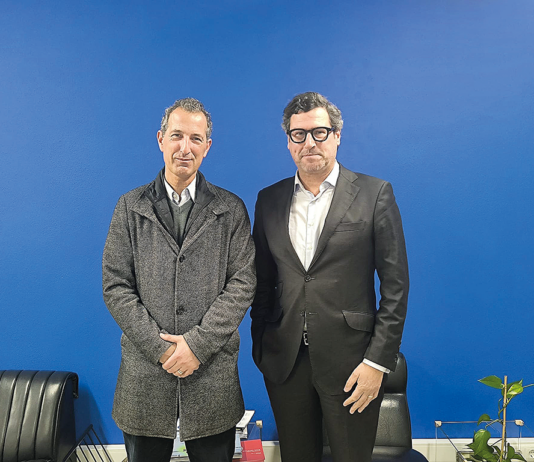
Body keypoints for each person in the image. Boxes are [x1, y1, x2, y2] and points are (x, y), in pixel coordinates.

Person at [251, 92, 409, 462]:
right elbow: (262, 281)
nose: (309, 142)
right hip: (286, 362)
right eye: (299, 134)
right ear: (288, 141)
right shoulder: (268, 199)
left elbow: (396, 287)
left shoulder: (374, 194)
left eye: (319, 132)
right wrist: (262, 345)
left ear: (337, 135)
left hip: (353, 363)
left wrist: (377, 363)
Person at [103, 98, 256, 462]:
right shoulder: (130, 206)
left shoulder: (231, 209)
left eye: (195, 138)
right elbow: (116, 285)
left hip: (211, 376)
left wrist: (197, 346)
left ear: (207, 146)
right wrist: (163, 349)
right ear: (161, 139)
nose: (185, 147)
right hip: (145, 376)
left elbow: (243, 283)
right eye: (176, 135)